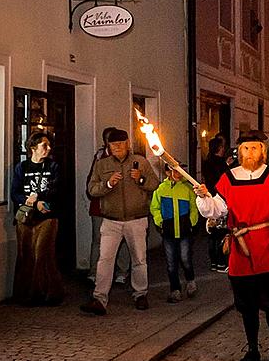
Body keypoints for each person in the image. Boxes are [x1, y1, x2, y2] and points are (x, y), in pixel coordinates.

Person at [193, 131, 269, 361]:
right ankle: (252, 349)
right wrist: (204, 198)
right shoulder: (229, 178)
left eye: (255, 148)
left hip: (268, 245)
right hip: (240, 250)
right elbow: (217, 209)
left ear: (263, 151)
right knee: (246, 304)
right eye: (246, 148)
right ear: (239, 151)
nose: (250, 153)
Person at [81, 129, 160, 315]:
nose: (117, 147)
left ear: (127, 143)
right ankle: (99, 298)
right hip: (111, 220)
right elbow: (92, 189)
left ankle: (140, 294)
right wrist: (107, 184)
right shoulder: (102, 165)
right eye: (113, 144)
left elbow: (155, 183)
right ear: (108, 146)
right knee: (105, 259)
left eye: (120, 143)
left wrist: (140, 178)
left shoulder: (140, 161)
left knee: (139, 259)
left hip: (136, 219)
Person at [11, 132, 63, 305]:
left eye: (48, 145)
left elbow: (56, 189)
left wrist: (40, 199)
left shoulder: (52, 166)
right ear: (33, 148)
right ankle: (24, 293)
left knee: (43, 253)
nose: (48, 149)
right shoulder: (22, 167)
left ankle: (45, 292)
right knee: (25, 253)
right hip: (26, 216)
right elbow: (15, 193)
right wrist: (32, 202)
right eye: (44, 145)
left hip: (47, 216)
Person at [86, 126, 131, 285]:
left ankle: (122, 272)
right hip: (100, 207)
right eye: (112, 142)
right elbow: (91, 184)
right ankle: (94, 272)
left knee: (122, 240)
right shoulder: (99, 159)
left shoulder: (129, 158)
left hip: (120, 207)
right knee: (98, 240)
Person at [151, 164, 199, 303]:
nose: (179, 173)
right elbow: (155, 207)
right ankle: (175, 290)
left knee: (185, 259)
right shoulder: (161, 189)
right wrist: (160, 222)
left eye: (181, 170)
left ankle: (190, 281)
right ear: (168, 172)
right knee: (171, 263)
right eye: (175, 170)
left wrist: (191, 222)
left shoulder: (188, 188)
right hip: (169, 231)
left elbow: (194, 206)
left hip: (184, 231)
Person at [202, 136, 230, 272]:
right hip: (220, 199)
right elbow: (224, 179)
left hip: (210, 198)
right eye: (223, 147)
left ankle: (213, 262)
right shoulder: (220, 163)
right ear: (219, 148)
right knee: (222, 232)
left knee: (212, 232)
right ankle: (221, 263)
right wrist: (228, 166)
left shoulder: (207, 162)